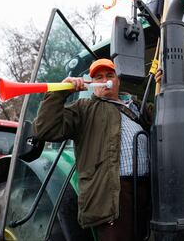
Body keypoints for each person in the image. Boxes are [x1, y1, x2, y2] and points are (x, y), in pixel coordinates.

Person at [33, 58, 157, 241]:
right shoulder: (84, 109)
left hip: (146, 192)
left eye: (109, 75)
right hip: (111, 197)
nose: (104, 79)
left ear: (118, 81)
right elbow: (45, 128)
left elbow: (164, 122)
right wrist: (60, 93)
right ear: (92, 84)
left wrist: (164, 86)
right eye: (98, 77)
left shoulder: (138, 106)